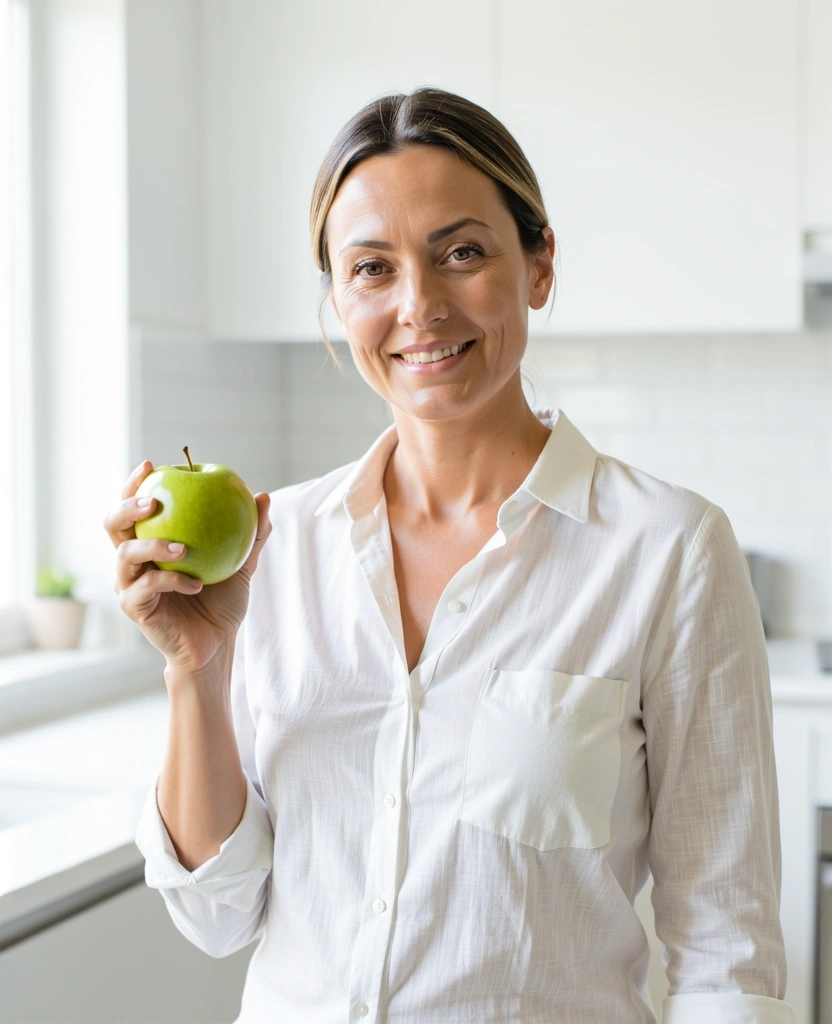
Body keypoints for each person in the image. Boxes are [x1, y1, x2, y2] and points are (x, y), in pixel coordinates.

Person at [106, 87, 797, 1023]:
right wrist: (197, 668)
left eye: (461, 253)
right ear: (338, 300)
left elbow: (725, 949)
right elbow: (218, 916)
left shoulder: (668, 550)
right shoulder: (277, 547)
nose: (420, 307)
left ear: (539, 264)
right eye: (372, 269)